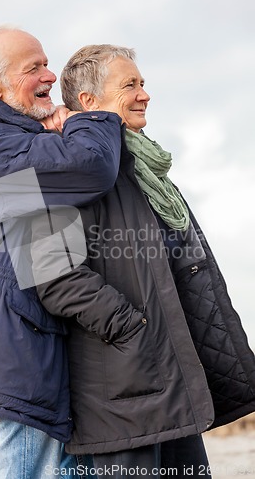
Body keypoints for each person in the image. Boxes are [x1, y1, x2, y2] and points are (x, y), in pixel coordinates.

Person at [36, 44, 255, 478]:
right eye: (130, 85)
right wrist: (132, 328)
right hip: (124, 391)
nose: (145, 94)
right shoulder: (58, 163)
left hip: (170, 382)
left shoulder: (140, 169)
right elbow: (51, 275)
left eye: (143, 83)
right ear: (89, 102)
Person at [0, 28, 124, 479]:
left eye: (47, 62)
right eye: (34, 68)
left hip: (38, 330)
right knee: (37, 468)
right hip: (19, 337)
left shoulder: (21, 136)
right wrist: (90, 118)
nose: (50, 74)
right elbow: (91, 167)